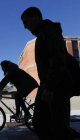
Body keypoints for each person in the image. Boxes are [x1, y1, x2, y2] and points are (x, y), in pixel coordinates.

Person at [21, 7, 80, 140]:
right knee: (41, 122)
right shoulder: (42, 34)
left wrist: (50, 87)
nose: (25, 27)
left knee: (58, 127)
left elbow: (58, 59)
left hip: (55, 87)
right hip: (47, 86)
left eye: (26, 22)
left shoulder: (49, 31)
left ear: (36, 17)